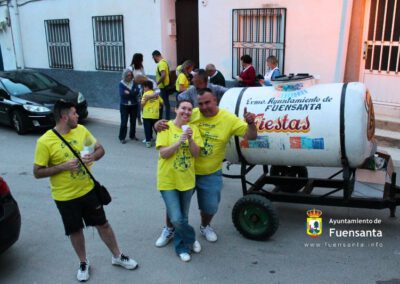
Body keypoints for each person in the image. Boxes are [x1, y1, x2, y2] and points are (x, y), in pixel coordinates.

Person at [33, 100, 138, 282]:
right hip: (65, 197)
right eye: (74, 113)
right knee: (75, 230)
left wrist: (93, 156)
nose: (78, 116)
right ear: (64, 117)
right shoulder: (45, 142)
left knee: (103, 224)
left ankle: (117, 256)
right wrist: (63, 166)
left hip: (88, 190)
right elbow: (37, 172)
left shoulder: (81, 130)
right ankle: (83, 262)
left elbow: (100, 150)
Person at [155, 88, 257, 246]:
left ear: (215, 100)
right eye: (200, 104)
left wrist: (251, 123)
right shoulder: (192, 112)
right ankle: (169, 228)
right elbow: (174, 123)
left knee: (210, 206)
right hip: (186, 170)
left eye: (207, 102)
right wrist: (157, 124)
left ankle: (205, 226)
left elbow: (251, 136)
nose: (203, 107)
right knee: (174, 204)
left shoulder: (228, 119)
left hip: (210, 172)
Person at [156, 99, 204, 262]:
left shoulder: (195, 129)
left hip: (187, 180)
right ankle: (190, 238)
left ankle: (181, 246)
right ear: (176, 109)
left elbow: (197, 154)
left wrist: (190, 139)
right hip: (168, 180)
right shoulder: (165, 127)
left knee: (183, 216)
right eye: (183, 108)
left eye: (190, 109)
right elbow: (163, 153)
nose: (186, 112)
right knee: (176, 218)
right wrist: (179, 141)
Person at [118, 68, 140, 144]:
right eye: (128, 76)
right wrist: (132, 93)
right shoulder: (121, 83)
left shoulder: (134, 82)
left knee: (133, 121)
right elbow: (122, 94)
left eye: (130, 75)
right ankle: (122, 137)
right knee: (124, 122)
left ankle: (132, 135)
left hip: (134, 105)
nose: (129, 77)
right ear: (124, 76)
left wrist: (129, 93)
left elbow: (137, 91)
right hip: (124, 106)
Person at [141, 80, 163, 148]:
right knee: (156, 128)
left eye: (144, 87)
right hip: (155, 115)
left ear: (147, 87)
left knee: (147, 129)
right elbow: (162, 102)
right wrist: (159, 105)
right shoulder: (156, 94)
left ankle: (148, 142)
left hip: (147, 115)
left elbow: (142, 104)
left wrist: (142, 106)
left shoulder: (145, 94)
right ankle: (160, 141)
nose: (143, 89)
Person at [152, 50, 171, 120]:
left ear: (155, 56)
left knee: (164, 103)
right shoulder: (164, 62)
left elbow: (163, 75)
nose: (154, 60)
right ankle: (164, 118)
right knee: (165, 103)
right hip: (164, 86)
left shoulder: (161, 64)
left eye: (153, 58)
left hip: (163, 87)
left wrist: (157, 83)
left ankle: (164, 119)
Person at [129, 53, 146, 125]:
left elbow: (144, 76)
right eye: (141, 58)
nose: (142, 60)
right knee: (137, 104)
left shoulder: (141, 67)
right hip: (134, 87)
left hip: (141, 87)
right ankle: (138, 118)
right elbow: (129, 78)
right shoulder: (131, 67)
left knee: (141, 103)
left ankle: (142, 117)